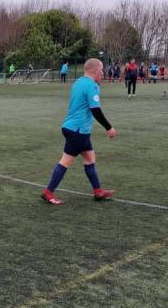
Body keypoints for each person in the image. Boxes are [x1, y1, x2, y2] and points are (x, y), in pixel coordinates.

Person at [41, 57, 116, 205]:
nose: (103, 73)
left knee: (90, 159)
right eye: (101, 70)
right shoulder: (91, 86)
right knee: (66, 161)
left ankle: (98, 191)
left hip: (74, 128)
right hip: (78, 131)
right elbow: (95, 110)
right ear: (96, 71)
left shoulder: (78, 82)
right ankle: (48, 192)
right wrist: (109, 128)